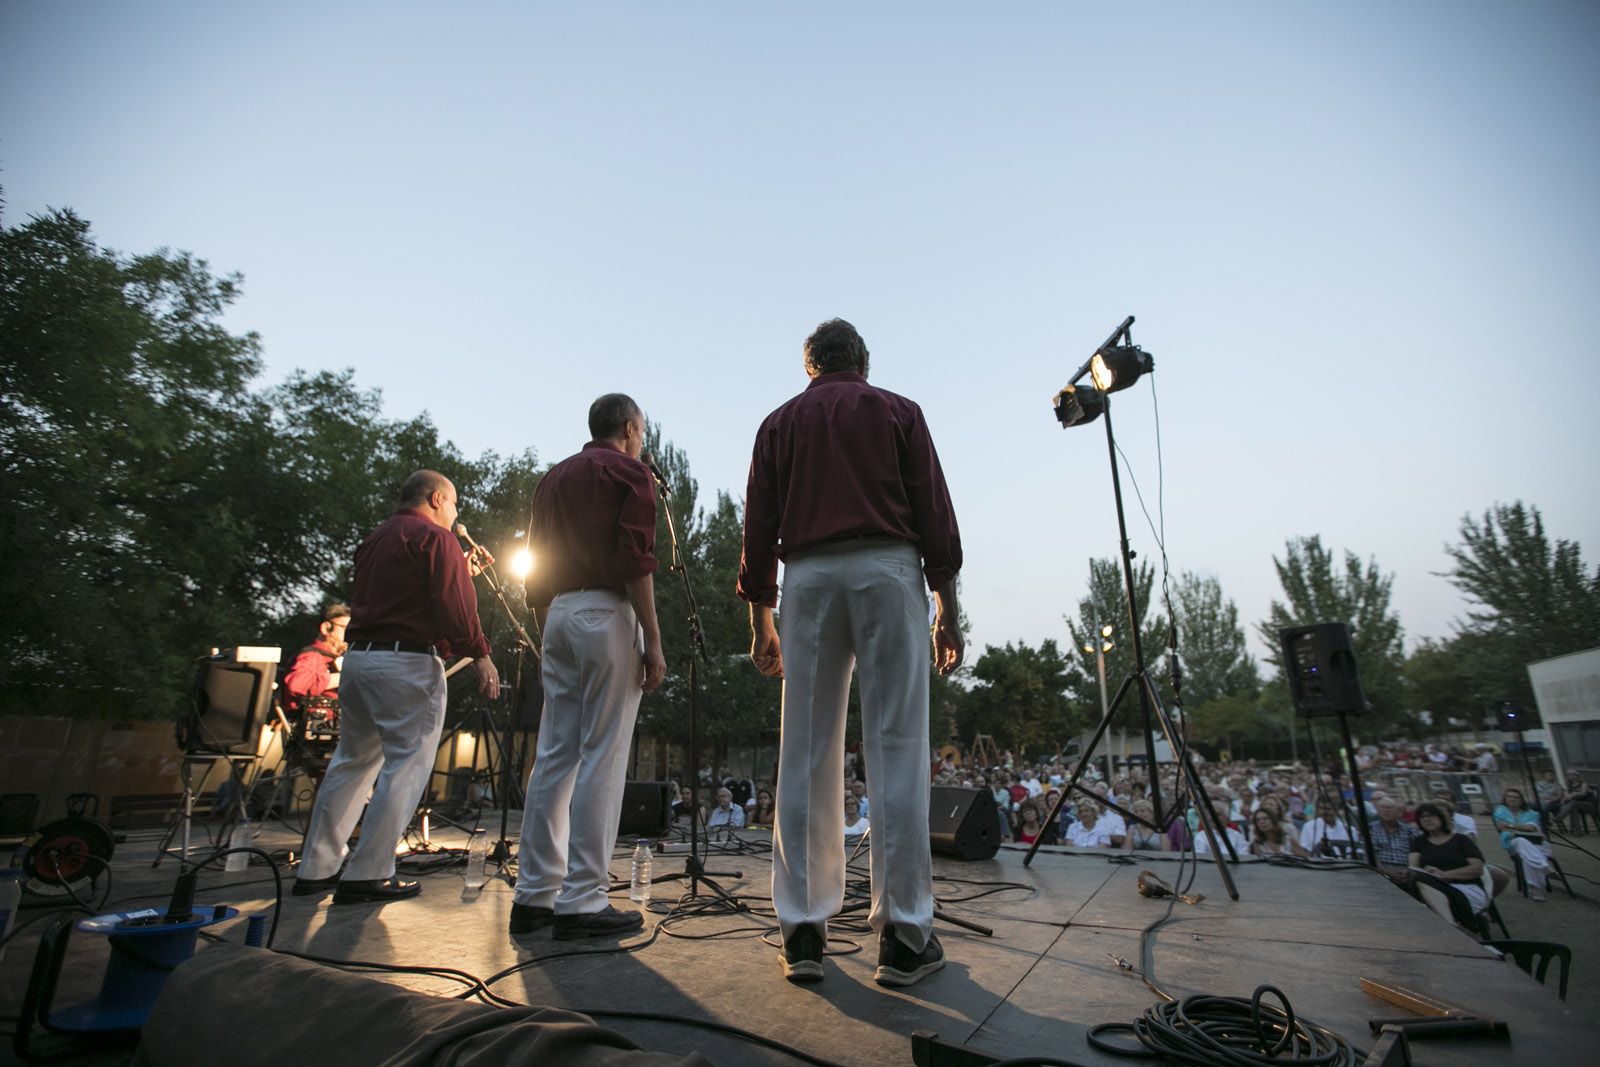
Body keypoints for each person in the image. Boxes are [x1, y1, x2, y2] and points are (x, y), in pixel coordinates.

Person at [738, 318, 963, 988]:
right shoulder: (899, 411)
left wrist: (761, 619)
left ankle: (804, 930)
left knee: (805, 748)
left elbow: (758, 525)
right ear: (861, 363)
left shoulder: (779, 423)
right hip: (889, 567)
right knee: (897, 742)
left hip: (807, 576)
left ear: (810, 365)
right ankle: (903, 934)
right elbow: (934, 512)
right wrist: (947, 603)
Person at [293, 471, 500, 903]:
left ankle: (316, 868)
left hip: (359, 661)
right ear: (438, 498)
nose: (456, 514)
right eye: (456, 505)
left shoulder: (376, 539)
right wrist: (479, 653)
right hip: (406, 662)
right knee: (405, 765)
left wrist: (461, 571)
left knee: (351, 762)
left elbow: (405, 594)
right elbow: (455, 608)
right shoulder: (437, 538)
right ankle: (368, 872)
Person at [511, 394, 667, 940]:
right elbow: (635, 560)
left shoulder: (553, 477)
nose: (642, 439)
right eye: (642, 430)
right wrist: (652, 637)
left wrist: (549, 621)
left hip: (558, 612)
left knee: (555, 753)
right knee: (604, 753)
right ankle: (582, 898)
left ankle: (533, 895)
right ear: (629, 428)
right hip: (606, 612)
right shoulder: (631, 472)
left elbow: (535, 556)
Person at [1409, 801, 1489, 915]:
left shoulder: (1461, 840)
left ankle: (1448, 925)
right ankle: (1451, 925)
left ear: (1441, 818)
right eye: (1422, 817)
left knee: (1425, 892)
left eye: (1431, 816)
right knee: (1418, 880)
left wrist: (1446, 875)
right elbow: (1414, 868)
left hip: (1466, 888)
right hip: (1433, 887)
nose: (1427, 819)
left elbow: (1477, 869)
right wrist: (1429, 871)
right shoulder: (1418, 842)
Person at [280, 603, 350, 718]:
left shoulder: (336, 658)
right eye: (346, 628)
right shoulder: (312, 656)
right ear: (326, 628)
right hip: (314, 730)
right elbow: (297, 685)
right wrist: (346, 677)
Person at [1492, 788, 1553, 902]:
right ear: (1505, 799)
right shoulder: (1500, 812)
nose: (1512, 799)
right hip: (1512, 842)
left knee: (1528, 854)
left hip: (1536, 842)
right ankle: (1544, 867)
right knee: (1521, 841)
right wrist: (1520, 828)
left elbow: (1531, 828)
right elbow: (1503, 827)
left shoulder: (1531, 813)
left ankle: (1535, 888)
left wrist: (1510, 826)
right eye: (1509, 796)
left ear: (1521, 800)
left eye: (1515, 797)